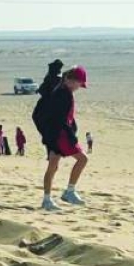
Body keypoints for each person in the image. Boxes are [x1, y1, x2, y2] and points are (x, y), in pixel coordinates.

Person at [36, 66, 89, 212]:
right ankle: (69, 192)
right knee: (82, 159)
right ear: (70, 80)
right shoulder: (63, 94)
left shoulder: (59, 90)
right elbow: (60, 119)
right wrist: (71, 136)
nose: (79, 87)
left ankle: (47, 200)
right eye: (79, 84)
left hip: (52, 135)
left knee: (53, 166)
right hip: (61, 135)